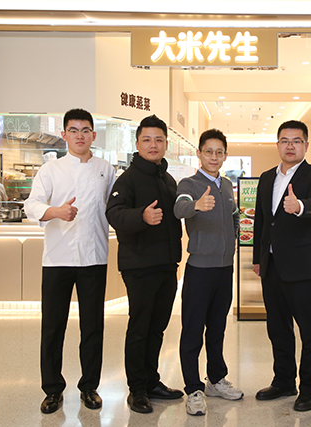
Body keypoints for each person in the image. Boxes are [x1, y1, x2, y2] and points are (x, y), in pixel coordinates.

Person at [23, 108, 116, 414]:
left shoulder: (106, 169)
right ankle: (52, 390)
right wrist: (57, 212)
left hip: (94, 257)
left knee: (93, 327)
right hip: (57, 258)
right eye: (73, 130)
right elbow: (31, 205)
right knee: (53, 327)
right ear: (64, 135)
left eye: (85, 130)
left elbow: (114, 208)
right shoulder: (51, 170)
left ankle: (89, 387)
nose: (80, 136)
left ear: (93, 135)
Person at [105, 114, 183, 414]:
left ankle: (152, 381)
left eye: (158, 139)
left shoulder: (167, 179)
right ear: (137, 144)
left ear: (166, 144)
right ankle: (136, 389)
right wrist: (141, 216)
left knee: (157, 328)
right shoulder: (127, 179)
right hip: (139, 266)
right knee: (140, 328)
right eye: (147, 140)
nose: (153, 145)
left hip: (166, 265)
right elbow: (114, 213)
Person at [252, 120, 311, 412]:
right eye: (285, 141)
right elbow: (261, 220)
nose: (290, 146)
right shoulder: (266, 178)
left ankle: (309, 389)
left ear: (306, 145)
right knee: (278, 329)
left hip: (303, 270)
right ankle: (284, 381)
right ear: (277, 145)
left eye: (296, 141)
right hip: (272, 267)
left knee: (310, 332)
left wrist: (299, 207)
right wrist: (258, 258)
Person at [173, 128, 243, 416]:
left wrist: (234, 238)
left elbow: (235, 215)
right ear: (199, 153)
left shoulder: (226, 185)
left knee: (217, 329)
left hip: (225, 269)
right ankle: (193, 389)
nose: (214, 156)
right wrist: (196, 205)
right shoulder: (189, 184)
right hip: (200, 269)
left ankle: (215, 379)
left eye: (219, 152)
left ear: (225, 155)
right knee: (193, 331)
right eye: (208, 151)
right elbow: (179, 209)